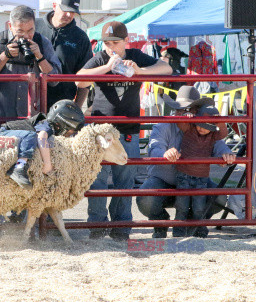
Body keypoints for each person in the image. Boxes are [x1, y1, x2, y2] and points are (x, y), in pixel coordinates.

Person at [75, 21, 173, 241]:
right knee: (98, 179)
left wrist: (140, 71)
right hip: (101, 131)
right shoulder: (100, 58)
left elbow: (167, 68)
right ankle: (97, 227)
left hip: (127, 127)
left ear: (126, 41)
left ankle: (121, 228)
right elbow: (79, 80)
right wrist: (108, 67)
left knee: (125, 178)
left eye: (115, 42)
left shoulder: (136, 55)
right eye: (107, 42)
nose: (110, 46)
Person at [136, 86, 235, 238]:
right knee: (146, 198)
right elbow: (154, 147)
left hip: (195, 181)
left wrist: (226, 154)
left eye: (188, 110)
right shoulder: (164, 125)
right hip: (165, 182)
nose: (182, 114)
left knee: (219, 198)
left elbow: (220, 145)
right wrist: (164, 154)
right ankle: (161, 223)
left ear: (197, 112)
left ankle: (192, 223)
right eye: (179, 109)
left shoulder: (204, 128)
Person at [0, 5, 61, 117]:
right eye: (20, 31)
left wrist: (39, 57)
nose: (25, 36)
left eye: (30, 30)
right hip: (2, 116)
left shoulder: (42, 43)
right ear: (10, 26)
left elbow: (55, 80)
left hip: (32, 117)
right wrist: (5, 56)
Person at [0, 99, 85, 189]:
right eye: (69, 131)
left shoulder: (49, 126)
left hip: (8, 135)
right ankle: (18, 167)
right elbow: (41, 137)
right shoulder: (47, 125)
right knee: (31, 135)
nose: (69, 135)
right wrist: (47, 164)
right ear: (61, 124)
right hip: (0, 134)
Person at [173, 103, 231, 238]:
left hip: (201, 177)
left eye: (207, 127)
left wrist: (219, 121)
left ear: (212, 127)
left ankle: (199, 232)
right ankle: (178, 233)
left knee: (199, 207)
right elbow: (179, 122)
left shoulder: (213, 136)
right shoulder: (190, 129)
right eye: (199, 124)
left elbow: (223, 133)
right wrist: (187, 117)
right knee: (181, 206)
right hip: (184, 174)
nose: (202, 129)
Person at [35, 0, 92, 109]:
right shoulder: (34, 27)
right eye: (66, 10)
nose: (69, 15)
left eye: (73, 12)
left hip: (61, 106)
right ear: (54, 6)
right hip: (30, 102)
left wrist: (77, 108)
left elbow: (86, 77)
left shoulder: (80, 38)